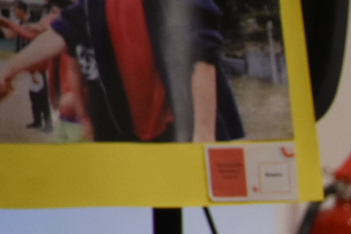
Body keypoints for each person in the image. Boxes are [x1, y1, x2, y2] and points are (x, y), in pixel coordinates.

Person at [0, 0, 243, 142]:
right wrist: (9, 69)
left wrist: (203, 138)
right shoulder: (94, 4)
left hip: (182, 130)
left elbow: (201, 55)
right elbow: (61, 32)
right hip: (131, 132)